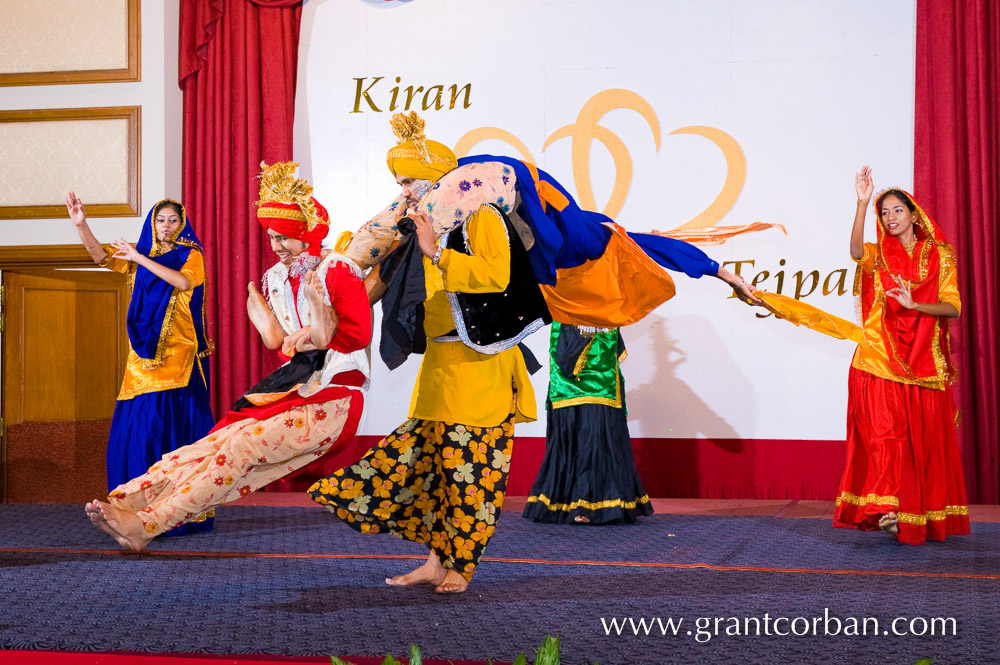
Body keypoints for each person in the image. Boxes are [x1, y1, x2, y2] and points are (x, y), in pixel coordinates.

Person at [309, 119, 551, 593]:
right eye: (398, 183)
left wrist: (435, 252)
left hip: (482, 363)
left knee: (471, 470)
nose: (401, 192)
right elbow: (375, 289)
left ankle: (462, 567)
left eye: (406, 181)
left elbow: (494, 276)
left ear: (433, 180)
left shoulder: (483, 217)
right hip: (440, 364)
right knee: (430, 467)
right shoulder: (416, 226)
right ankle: (435, 560)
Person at [84, 162, 372, 551]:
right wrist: (274, 326)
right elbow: (281, 343)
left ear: (307, 236)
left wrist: (313, 328)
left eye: (285, 238)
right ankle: (128, 502)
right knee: (211, 444)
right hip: (289, 389)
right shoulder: (274, 279)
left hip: (335, 395)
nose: (276, 248)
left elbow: (350, 337)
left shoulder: (335, 269)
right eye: (272, 238)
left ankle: (144, 525)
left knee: (240, 448)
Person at [756, 166, 969, 545]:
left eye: (896, 211)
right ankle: (887, 509)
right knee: (887, 437)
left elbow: (952, 308)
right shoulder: (876, 254)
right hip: (878, 358)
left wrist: (915, 304)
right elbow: (856, 252)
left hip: (922, 363)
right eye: (883, 212)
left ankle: (918, 514)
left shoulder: (940, 256)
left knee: (924, 443)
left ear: (914, 214)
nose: (890, 218)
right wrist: (861, 203)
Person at [66, 192, 216, 537]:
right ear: (152, 222)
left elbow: (182, 282)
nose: (166, 225)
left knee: (173, 436)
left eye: (173, 220)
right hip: (142, 362)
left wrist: (138, 257)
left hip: (178, 360)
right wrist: (82, 225)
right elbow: (101, 257)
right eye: (160, 219)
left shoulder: (190, 256)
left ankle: (177, 513)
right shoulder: (139, 253)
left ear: (182, 226)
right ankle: (132, 512)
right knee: (140, 435)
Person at [523, 323, 652, 525]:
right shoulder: (563, 301)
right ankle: (570, 503)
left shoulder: (610, 305)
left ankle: (596, 505)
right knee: (572, 438)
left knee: (597, 438)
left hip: (602, 375)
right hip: (567, 375)